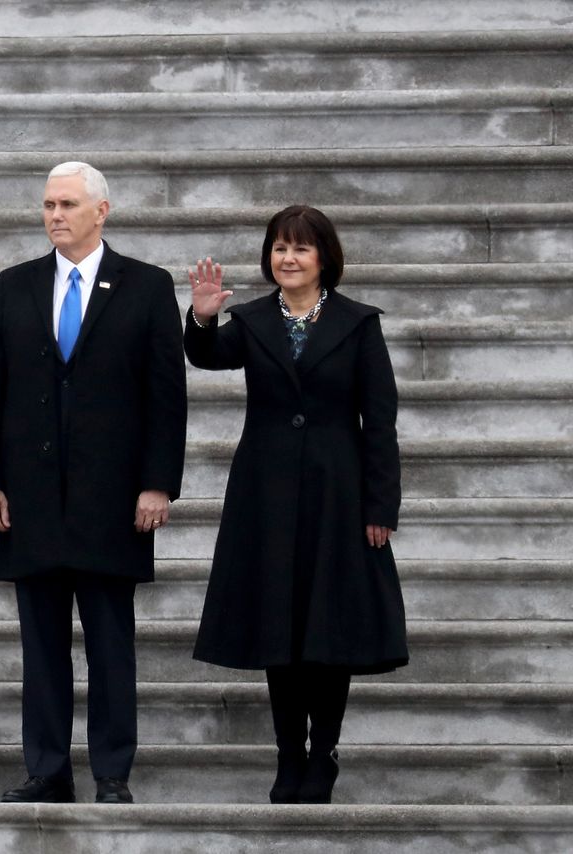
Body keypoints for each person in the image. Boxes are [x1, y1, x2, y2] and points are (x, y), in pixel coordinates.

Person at [0, 162, 187, 804]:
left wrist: (157, 484)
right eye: (47, 205)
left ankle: (112, 772)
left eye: (67, 204)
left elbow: (165, 397)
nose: (55, 215)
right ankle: (47, 769)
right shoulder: (16, 285)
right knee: (41, 648)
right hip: (31, 499)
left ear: (102, 211)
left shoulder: (147, 286)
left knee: (111, 645)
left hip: (113, 500)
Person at [185, 204, 408, 805]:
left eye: (301, 249)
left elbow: (380, 421)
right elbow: (208, 355)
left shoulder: (359, 324)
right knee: (278, 626)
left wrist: (379, 506)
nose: (288, 258)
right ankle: (289, 757)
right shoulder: (253, 319)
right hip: (267, 492)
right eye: (280, 248)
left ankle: (324, 753)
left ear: (323, 258)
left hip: (339, 492)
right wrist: (203, 320)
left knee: (327, 631)